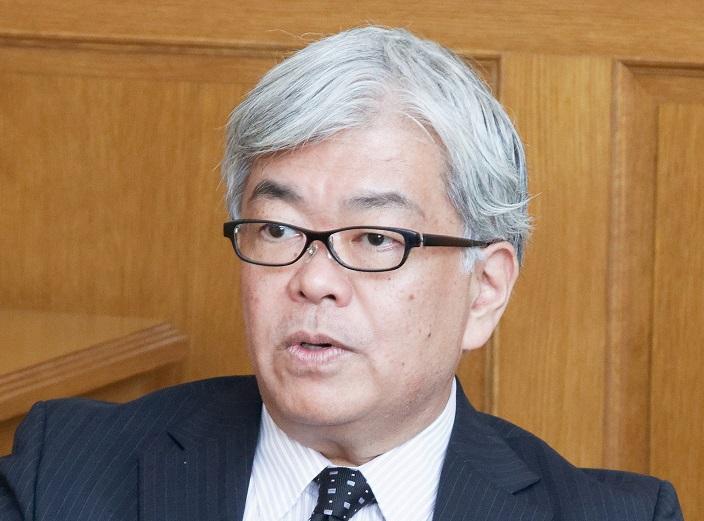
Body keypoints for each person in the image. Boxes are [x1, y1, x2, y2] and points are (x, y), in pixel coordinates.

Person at [0, 26, 683, 521]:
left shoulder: (617, 513)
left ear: (485, 289)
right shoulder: (63, 469)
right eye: (278, 230)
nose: (314, 279)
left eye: (376, 238)